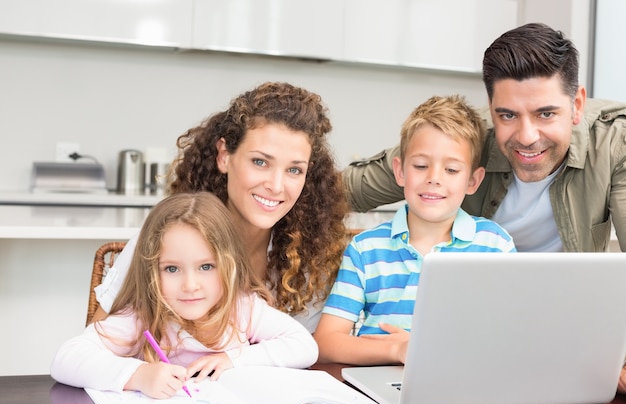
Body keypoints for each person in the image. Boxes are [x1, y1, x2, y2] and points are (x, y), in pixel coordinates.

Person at [343, 22, 626, 254]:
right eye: (508, 116)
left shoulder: (614, 142)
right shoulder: (461, 137)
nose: (527, 137)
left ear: (577, 105)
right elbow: (336, 192)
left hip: (567, 307)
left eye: (545, 114)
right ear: (490, 110)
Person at [93, 81, 350, 333]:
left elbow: (304, 354)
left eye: (294, 169)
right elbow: (96, 344)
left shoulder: (309, 257)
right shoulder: (164, 239)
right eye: (260, 162)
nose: (276, 185)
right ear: (224, 156)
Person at [51, 192, 318, 398]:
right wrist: (139, 375)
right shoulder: (143, 315)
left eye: (206, 267)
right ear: (150, 271)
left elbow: (305, 346)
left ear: (230, 265)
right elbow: (66, 359)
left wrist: (232, 359)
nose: (190, 285)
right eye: (171, 268)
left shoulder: (241, 308)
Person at [314, 95, 516, 366]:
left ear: (473, 180)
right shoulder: (365, 249)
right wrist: (397, 351)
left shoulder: (495, 246)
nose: (434, 177)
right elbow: (325, 342)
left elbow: (511, 336)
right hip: (377, 390)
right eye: (421, 166)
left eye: (452, 169)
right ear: (400, 171)